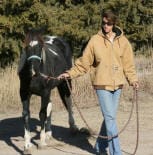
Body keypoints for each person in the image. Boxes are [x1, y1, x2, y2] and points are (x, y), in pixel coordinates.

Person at [58, 10, 139, 155]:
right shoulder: (95, 40)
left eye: (108, 23)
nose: (105, 26)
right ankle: (116, 153)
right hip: (102, 85)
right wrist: (69, 73)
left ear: (114, 24)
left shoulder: (123, 41)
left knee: (110, 119)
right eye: (103, 23)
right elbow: (84, 63)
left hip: (118, 85)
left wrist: (133, 80)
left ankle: (100, 147)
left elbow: (128, 64)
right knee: (110, 119)